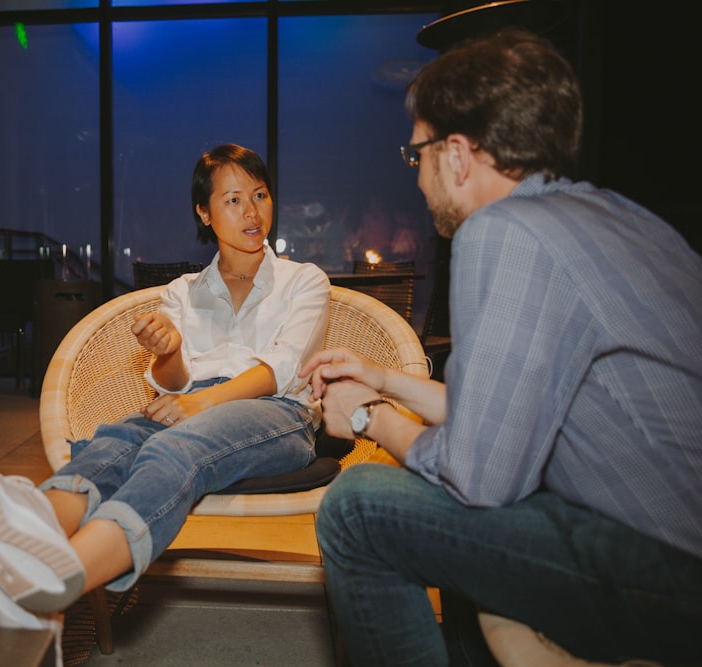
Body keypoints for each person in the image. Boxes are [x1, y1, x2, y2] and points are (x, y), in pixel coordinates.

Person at [300, 28, 702, 667]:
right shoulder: (621, 218)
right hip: (670, 542)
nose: (419, 178)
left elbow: (478, 478)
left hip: (672, 572)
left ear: (456, 155)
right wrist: (384, 378)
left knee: (358, 509)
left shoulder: (504, 231)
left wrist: (364, 416)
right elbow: (502, 414)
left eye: (418, 157)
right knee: (457, 529)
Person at [0, 144, 331, 636]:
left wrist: (198, 402)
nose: (252, 211)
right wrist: (171, 350)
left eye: (260, 195)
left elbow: (282, 368)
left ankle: (49, 580)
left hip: (276, 413)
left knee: (174, 448)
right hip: (187, 401)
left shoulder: (303, 281)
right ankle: (11, 548)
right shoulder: (183, 291)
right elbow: (173, 379)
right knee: (111, 442)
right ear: (204, 211)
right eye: (234, 199)